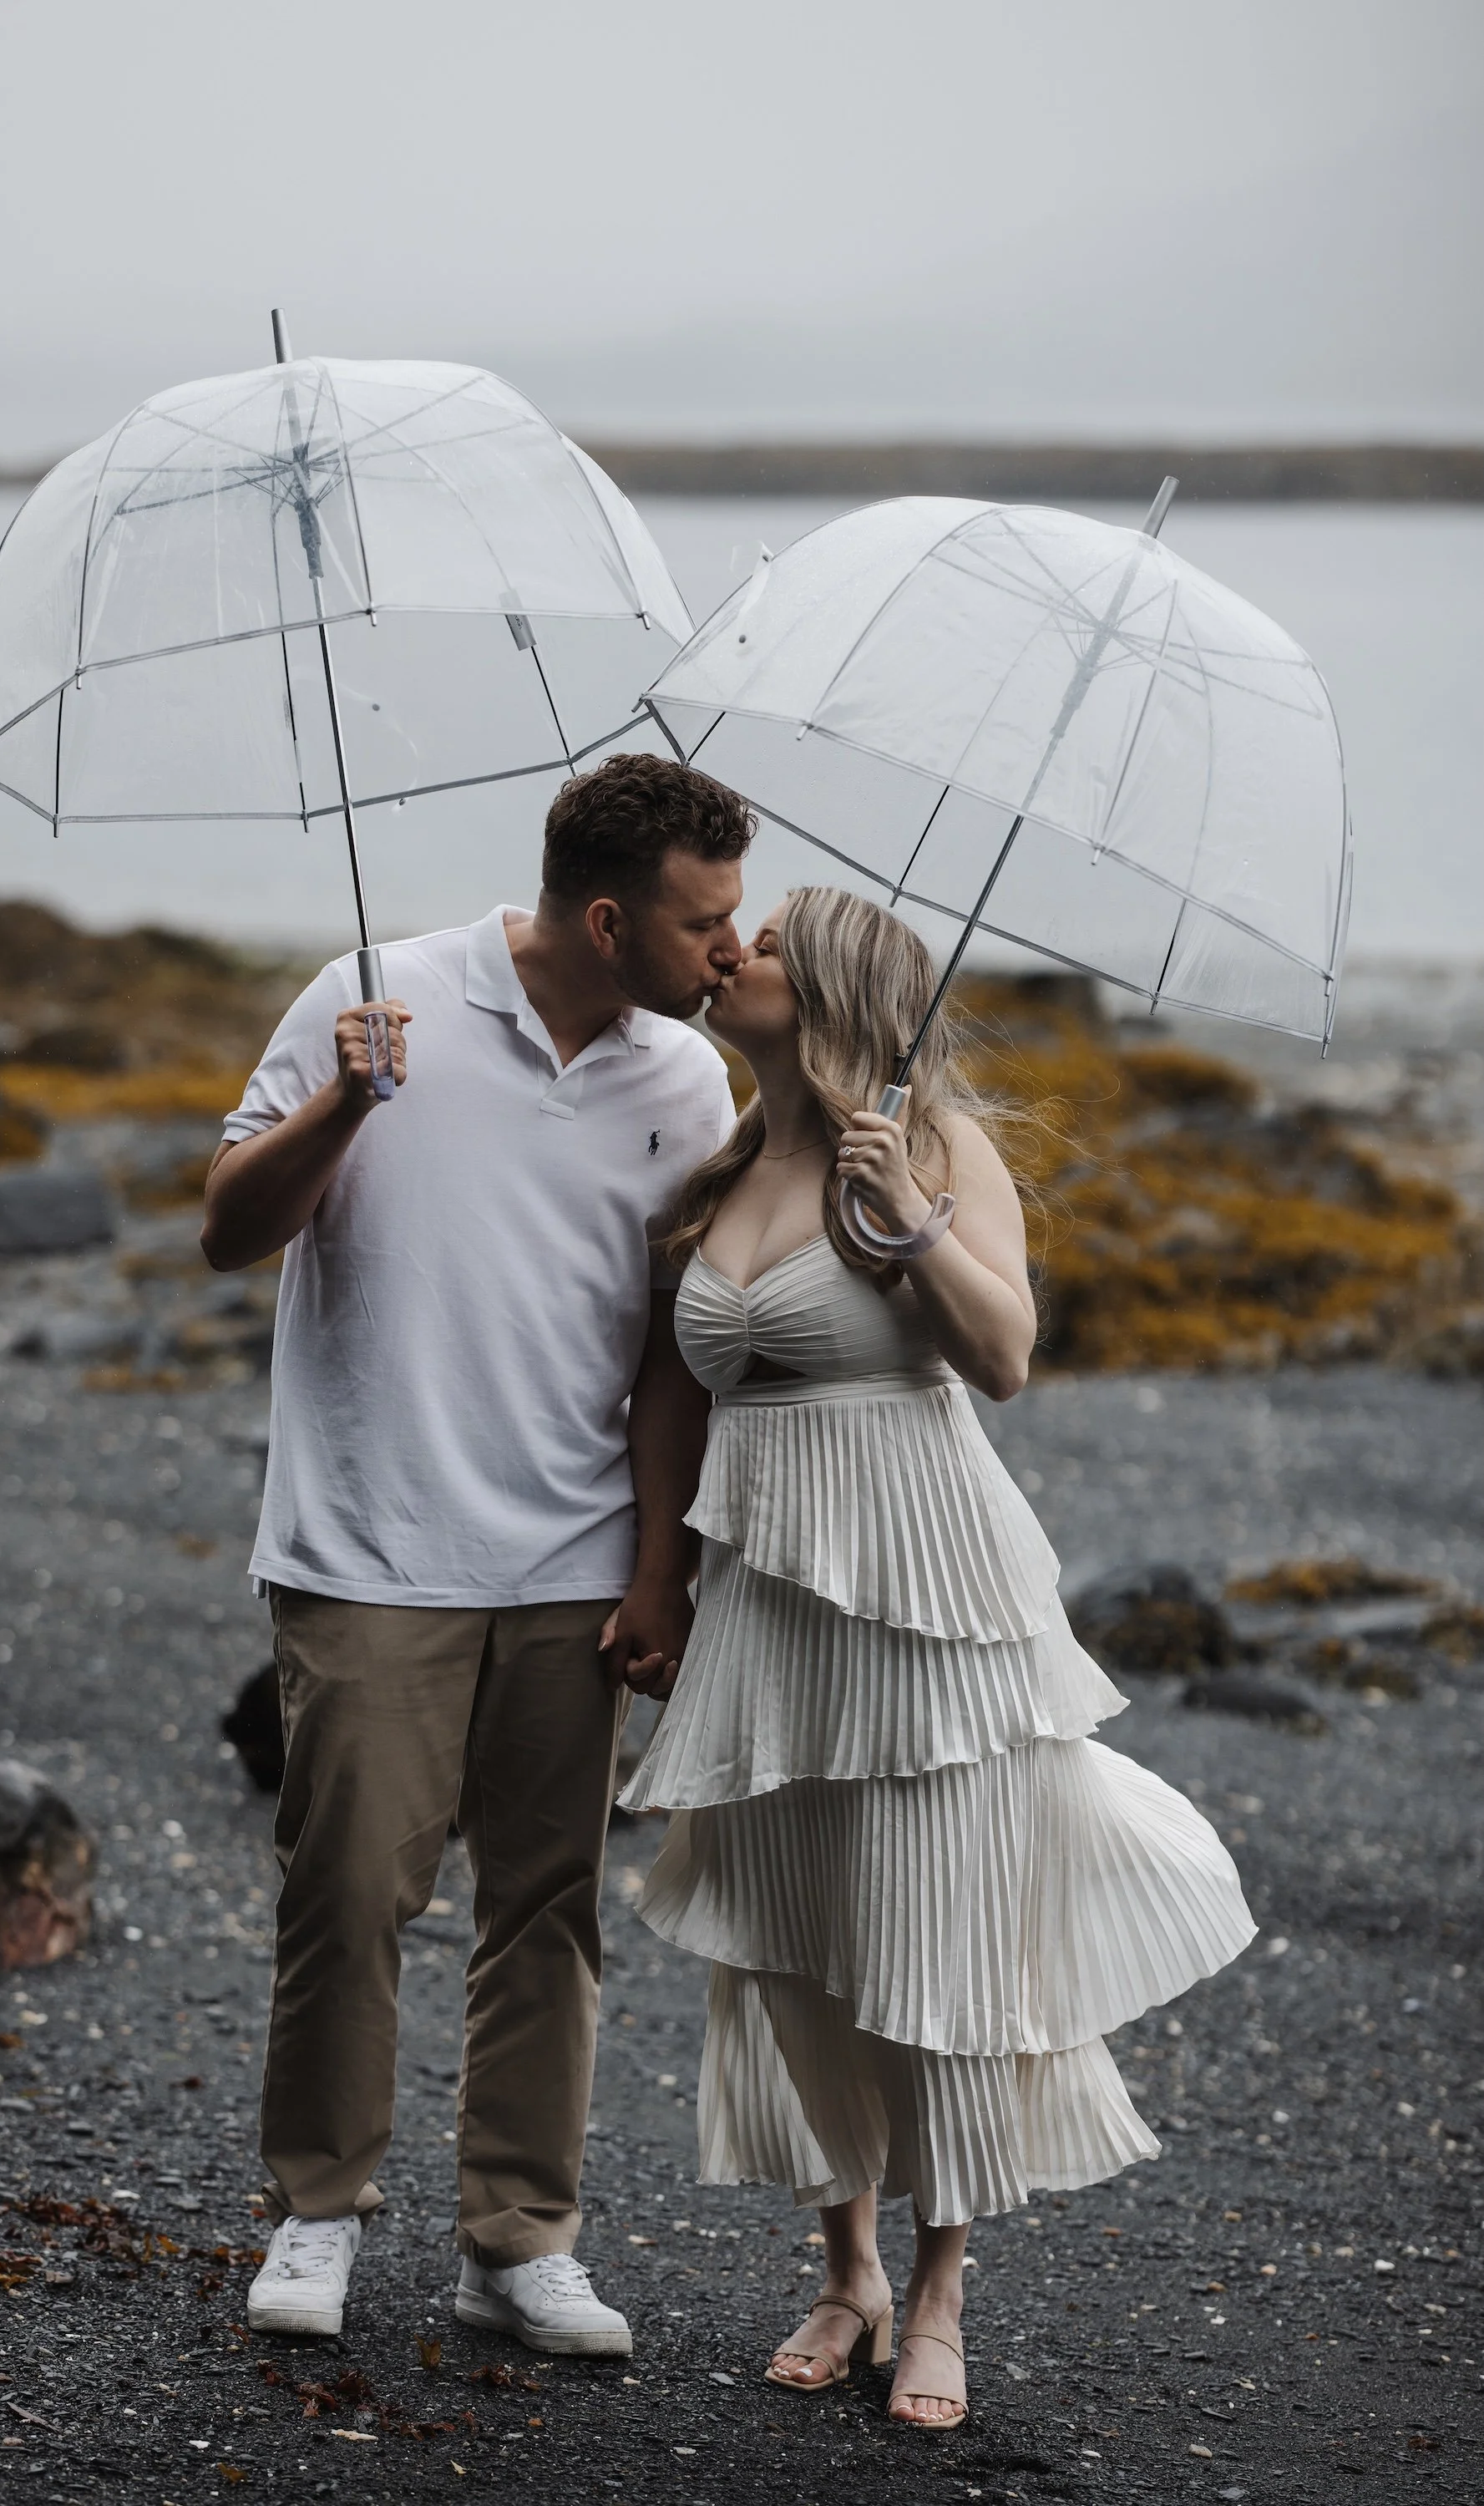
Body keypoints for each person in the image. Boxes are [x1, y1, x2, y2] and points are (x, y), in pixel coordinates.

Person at [618, 887, 1255, 2427]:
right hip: (763, 1597)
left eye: (762, 944)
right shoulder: (716, 1171)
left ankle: (943, 2287)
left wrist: (909, 1229)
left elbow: (1008, 1358)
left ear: (830, 987)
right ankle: (846, 2270)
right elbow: (673, 1400)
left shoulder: (941, 1151)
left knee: (938, 1931)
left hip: (928, 1595)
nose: (730, 956)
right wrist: (656, 1586)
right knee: (790, 1930)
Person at [201, 753, 752, 2354]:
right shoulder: (368, 998)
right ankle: (316, 2216)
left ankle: (518, 2242)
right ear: (607, 917)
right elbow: (232, 1227)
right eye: (706, 922)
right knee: (346, 1899)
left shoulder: (684, 1082)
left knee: (547, 1909)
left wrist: (663, 1572)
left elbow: (666, 1349)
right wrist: (344, 1102)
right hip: (369, 1549)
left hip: (573, 1561)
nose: (733, 949)